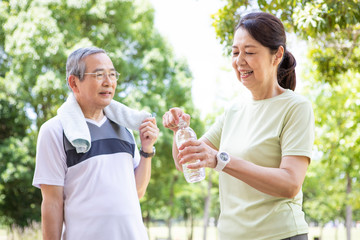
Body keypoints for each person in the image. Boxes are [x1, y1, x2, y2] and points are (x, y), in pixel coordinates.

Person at [163, 12, 314, 240]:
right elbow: (185, 162)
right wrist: (180, 131)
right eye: (235, 52)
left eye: (250, 52)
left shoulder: (296, 107)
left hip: (281, 235)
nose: (239, 61)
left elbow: (290, 183)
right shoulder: (233, 110)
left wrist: (220, 160)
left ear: (277, 55)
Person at [32, 47, 159, 240]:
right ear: (74, 83)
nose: (109, 82)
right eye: (99, 74)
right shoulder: (55, 131)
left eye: (112, 74)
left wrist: (147, 149)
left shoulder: (125, 128)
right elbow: (52, 204)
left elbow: (138, 191)